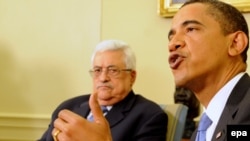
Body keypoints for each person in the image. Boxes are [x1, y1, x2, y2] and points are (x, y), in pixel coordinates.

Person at [39, 40, 168, 141]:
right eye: (97, 70)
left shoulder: (148, 116)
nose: (103, 78)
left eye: (113, 70)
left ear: (132, 77)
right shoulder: (69, 107)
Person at [168, 0, 250, 140]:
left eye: (191, 29)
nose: (173, 44)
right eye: (171, 36)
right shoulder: (202, 131)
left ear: (235, 43)